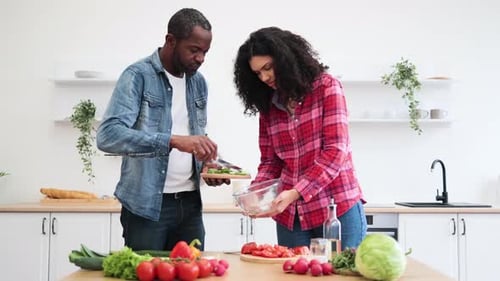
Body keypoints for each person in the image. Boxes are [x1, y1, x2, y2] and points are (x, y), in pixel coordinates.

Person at [96, 8, 228, 251]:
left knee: (193, 275)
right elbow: (108, 135)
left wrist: (209, 164)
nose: (200, 58)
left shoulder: (198, 83)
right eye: (194, 50)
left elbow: (195, 135)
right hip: (147, 207)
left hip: (190, 206)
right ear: (171, 41)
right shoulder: (137, 76)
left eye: (205, 52)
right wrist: (172, 141)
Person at [233, 27, 367, 250]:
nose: (264, 77)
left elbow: (335, 152)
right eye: (258, 73)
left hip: (336, 208)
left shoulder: (327, 87)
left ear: (286, 59)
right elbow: (270, 162)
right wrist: (256, 194)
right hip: (292, 219)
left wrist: (296, 192)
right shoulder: (269, 106)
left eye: (268, 68)